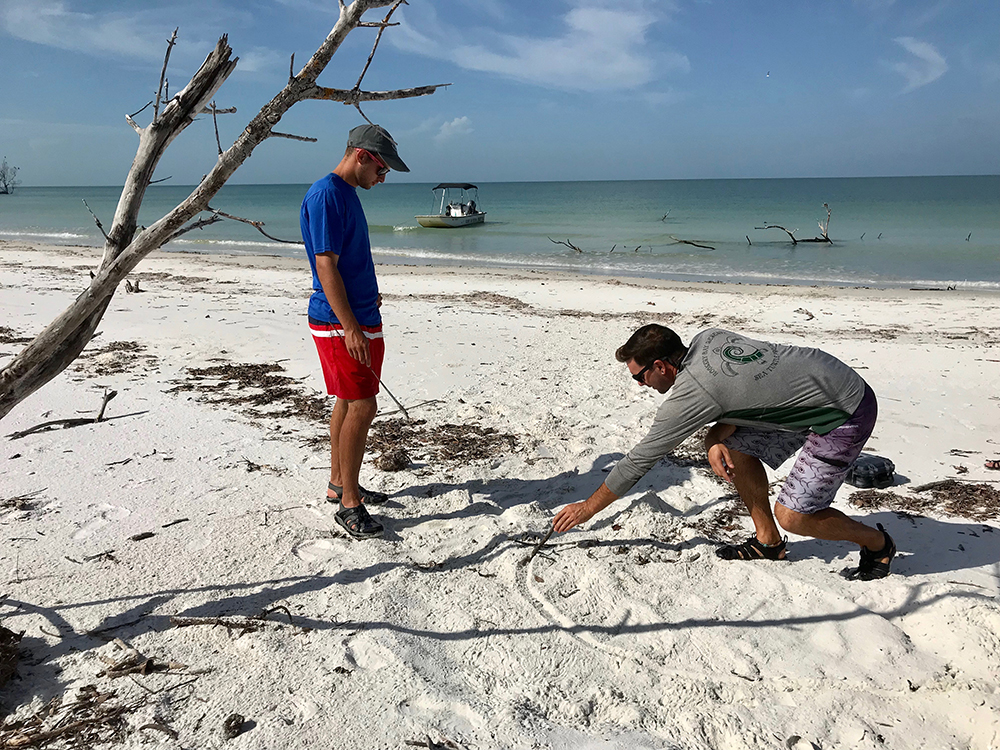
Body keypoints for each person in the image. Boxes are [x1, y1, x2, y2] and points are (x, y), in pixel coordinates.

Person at [552, 324, 897, 580]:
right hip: (824, 380)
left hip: (844, 411)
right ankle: (768, 543)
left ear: (660, 366)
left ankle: (878, 544)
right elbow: (743, 389)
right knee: (730, 447)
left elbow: (639, 460)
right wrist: (713, 437)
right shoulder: (708, 338)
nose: (640, 385)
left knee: (794, 516)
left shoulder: (692, 394)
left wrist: (588, 508)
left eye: (639, 377)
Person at [300, 123, 409, 540]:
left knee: (350, 400)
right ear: (362, 156)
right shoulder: (327, 194)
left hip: (358, 313)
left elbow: (348, 258)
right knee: (363, 405)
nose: (382, 180)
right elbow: (325, 263)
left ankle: (340, 483)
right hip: (338, 321)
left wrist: (369, 296)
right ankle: (348, 505)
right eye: (381, 171)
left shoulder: (345, 193)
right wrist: (350, 326)